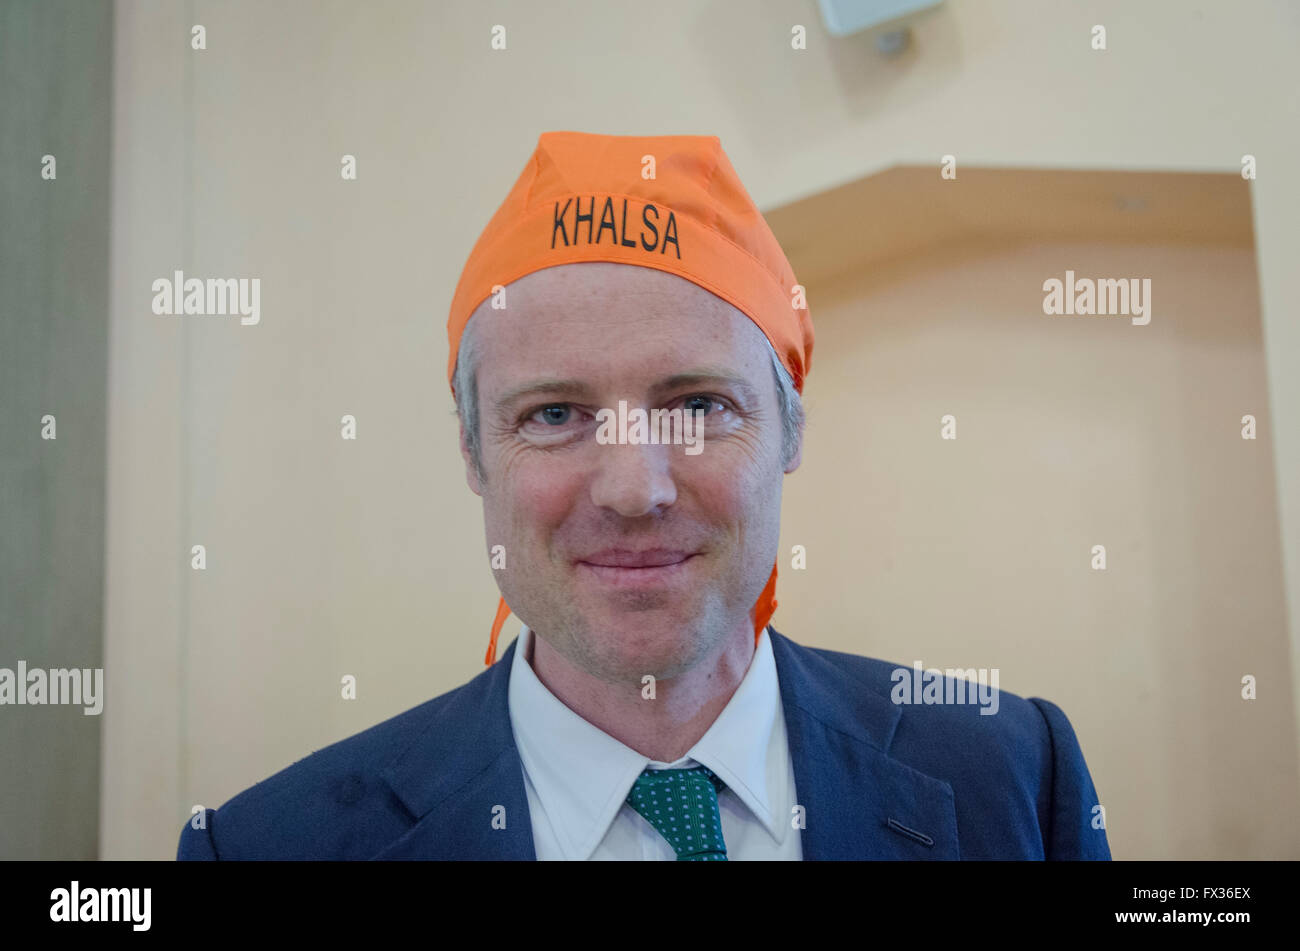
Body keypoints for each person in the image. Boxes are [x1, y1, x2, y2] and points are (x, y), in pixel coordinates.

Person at [177, 131, 1110, 861]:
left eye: (698, 404)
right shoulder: (269, 846)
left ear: (789, 430)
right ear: (473, 452)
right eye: (553, 414)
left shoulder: (1014, 773)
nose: (634, 487)